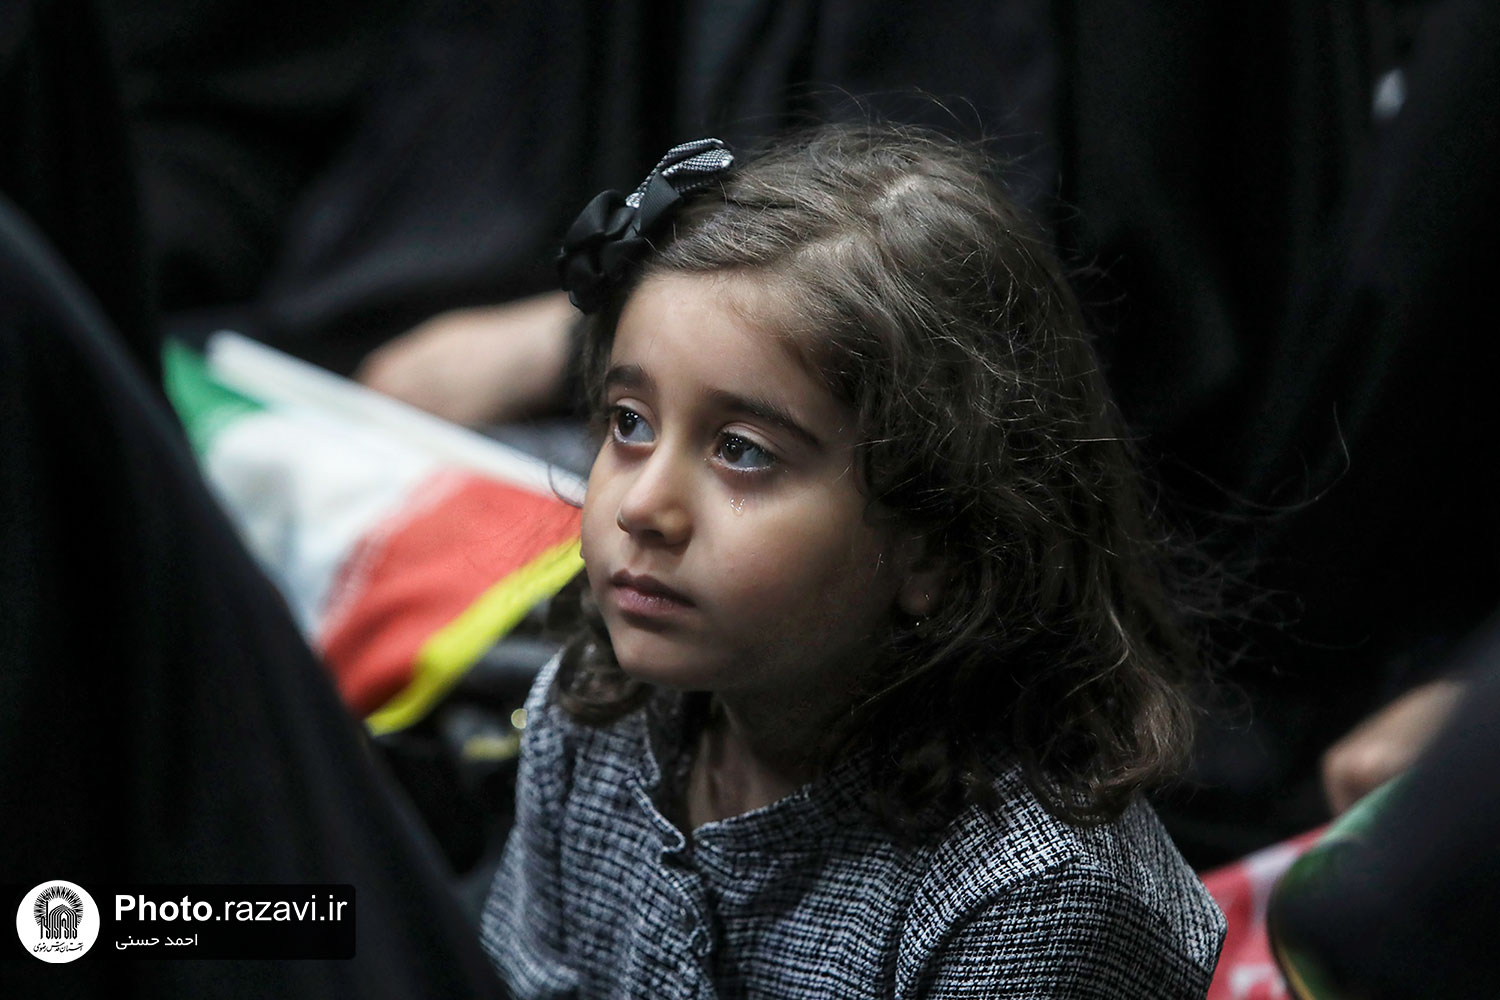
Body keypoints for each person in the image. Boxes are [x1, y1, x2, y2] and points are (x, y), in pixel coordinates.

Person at [479, 125, 1225, 998]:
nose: (641, 507)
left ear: (938, 543)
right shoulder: (592, 716)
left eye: (742, 450)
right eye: (630, 423)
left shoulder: (1038, 900)